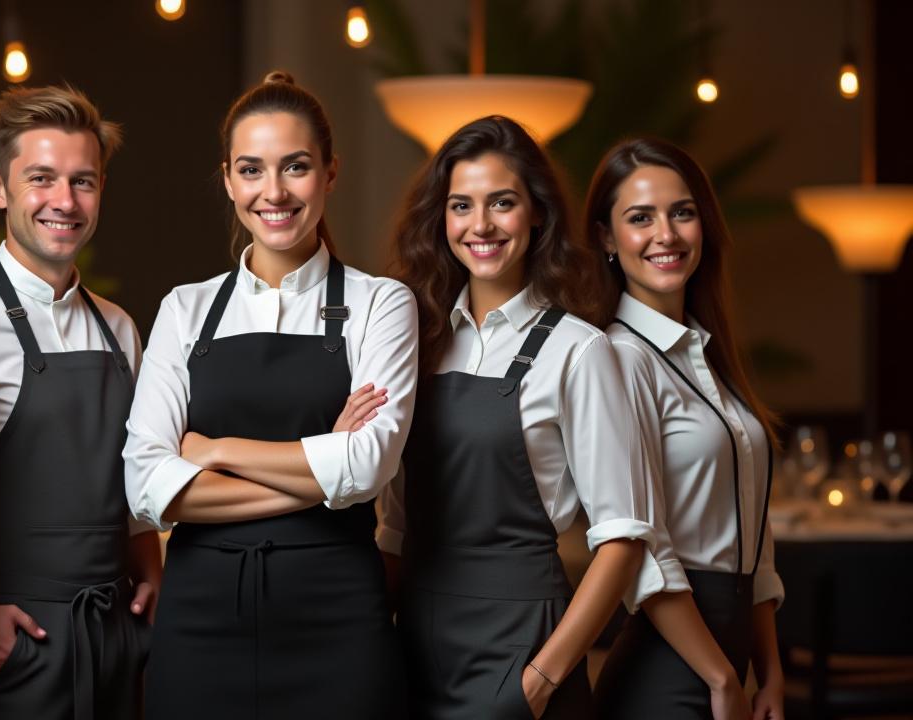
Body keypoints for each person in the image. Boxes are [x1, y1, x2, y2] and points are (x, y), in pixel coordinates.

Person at [122, 71, 413, 719]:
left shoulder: (380, 304)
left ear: (330, 173)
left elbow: (367, 468)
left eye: (296, 167)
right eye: (252, 170)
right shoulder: (185, 309)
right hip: (199, 624)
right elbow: (146, 483)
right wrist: (322, 469)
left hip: (337, 622)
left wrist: (212, 449)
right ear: (228, 179)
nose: (273, 192)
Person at [383, 115, 680, 719]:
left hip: (522, 647)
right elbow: (392, 529)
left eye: (503, 203)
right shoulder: (413, 341)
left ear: (537, 214)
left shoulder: (579, 351)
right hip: (414, 643)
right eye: (461, 205)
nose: (481, 225)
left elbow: (622, 540)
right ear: (441, 221)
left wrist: (539, 683)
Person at [0, 85, 159, 720]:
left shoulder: (120, 328)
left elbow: (136, 484)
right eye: (42, 178)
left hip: (115, 639)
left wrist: (152, 579)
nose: (65, 201)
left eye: (83, 181)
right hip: (9, 645)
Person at [586, 138, 784, 720]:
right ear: (605, 237)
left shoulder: (707, 355)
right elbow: (642, 546)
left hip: (734, 662)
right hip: (669, 670)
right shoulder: (616, 358)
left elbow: (756, 532)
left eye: (683, 212)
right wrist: (722, 678)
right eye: (640, 218)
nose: (665, 235)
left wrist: (770, 673)